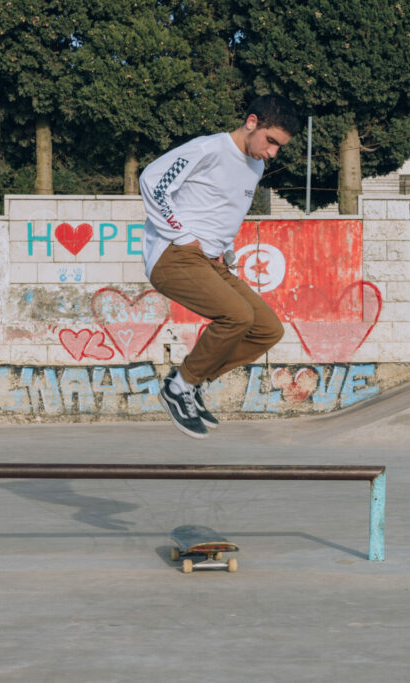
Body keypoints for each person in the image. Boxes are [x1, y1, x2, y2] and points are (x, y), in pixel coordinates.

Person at [139, 94, 303, 438]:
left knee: (267, 330)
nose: (272, 153)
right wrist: (181, 235)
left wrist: (225, 251)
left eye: (279, 148)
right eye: (271, 141)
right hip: (173, 254)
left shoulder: (254, 166)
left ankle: (192, 382)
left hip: (211, 262)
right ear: (252, 122)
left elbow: (223, 210)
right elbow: (152, 181)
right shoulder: (207, 149)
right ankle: (178, 388)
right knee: (237, 316)